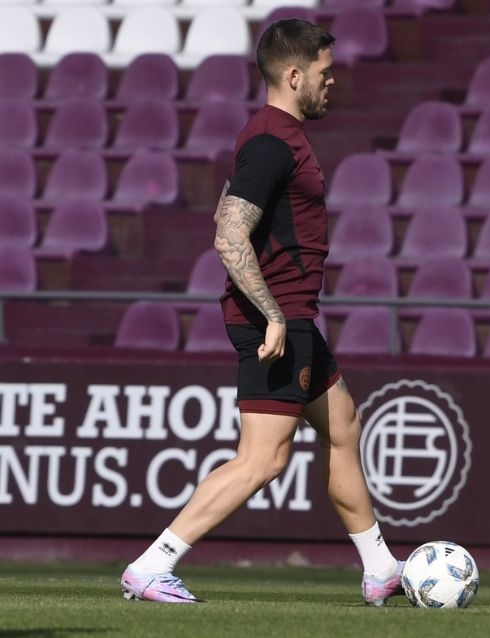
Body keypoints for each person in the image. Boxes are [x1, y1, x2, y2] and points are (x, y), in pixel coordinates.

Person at [120, 19, 403, 606]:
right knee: (263, 459)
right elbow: (228, 235)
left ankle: (381, 568)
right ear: (294, 76)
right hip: (276, 319)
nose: (331, 82)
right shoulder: (273, 141)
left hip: (294, 316)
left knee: (344, 426)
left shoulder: (271, 137)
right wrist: (273, 314)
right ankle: (151, 566)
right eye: (324, 72)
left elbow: (226, 209)